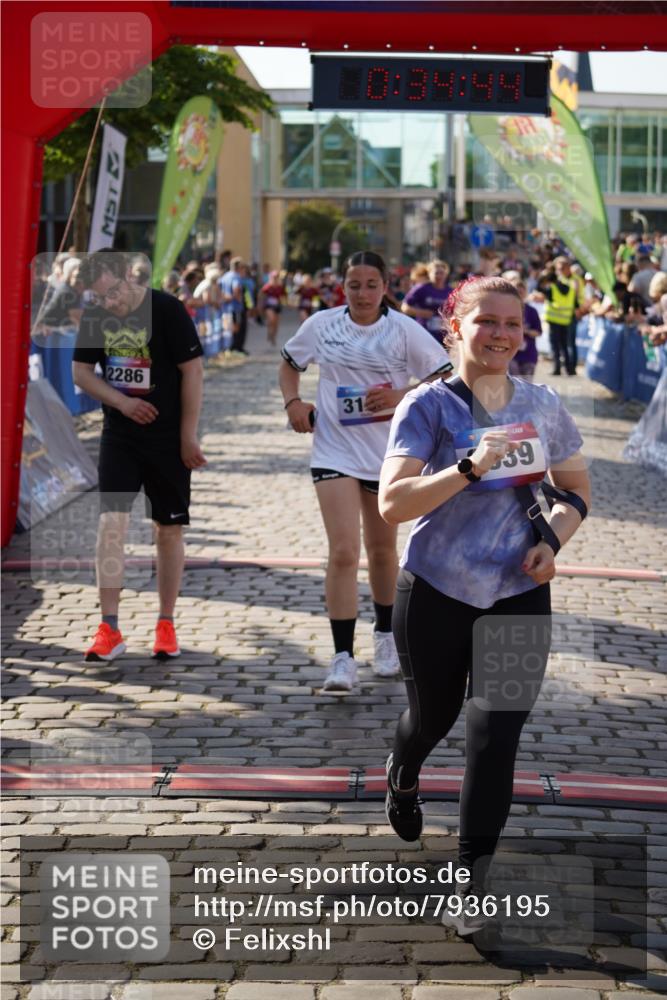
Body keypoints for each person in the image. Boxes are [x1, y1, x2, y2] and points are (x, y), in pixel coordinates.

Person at [379, 275, 590, 934]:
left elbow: (576, 489)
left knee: (493, 738)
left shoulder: (543, 403)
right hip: (438, 587)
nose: (501, 334)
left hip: (519, 590)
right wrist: (468, 466)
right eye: (486, 322)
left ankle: (470, 880)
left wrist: (551, 540)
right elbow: (392, 504)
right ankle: (402, 769)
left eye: (512, 323)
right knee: (432, 717)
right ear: (456, 328)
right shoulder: (427, 405)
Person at [279, 250, 453, 692]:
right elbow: (289, 364)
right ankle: (341, 658)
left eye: (370, 285)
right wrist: (293, 402)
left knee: (381, 552)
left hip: (386, 456)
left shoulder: (402, 329)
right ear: (342, 287)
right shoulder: (321, 325)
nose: (362, 293)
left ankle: (384, 635)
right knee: (342, 551)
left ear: (385, 287)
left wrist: (401, 395)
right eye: (353, 285)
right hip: (333, 452)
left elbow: (445, 374)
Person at [72, 251, 206, 662]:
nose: (110, 302)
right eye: (100, 297)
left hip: (167, 438)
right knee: (111, 523)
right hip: (120, 436)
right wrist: (122, 403)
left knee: (167, 529)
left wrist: (187, 435)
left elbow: (193, 371)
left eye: (113, 291)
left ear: (128, 277)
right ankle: (108, 627)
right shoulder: (97, 317)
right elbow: (81, 372)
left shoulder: (165, 309)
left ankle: (165, 622)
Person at [400, 259, 453, 342]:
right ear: (429, 274)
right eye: (436, 273)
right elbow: (404, 307)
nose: (439, 276)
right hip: (424, 334)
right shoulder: (421, 288)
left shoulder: (450, 291)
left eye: (441, 273)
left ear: (446, 274)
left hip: (444, 336)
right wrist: (421, 312)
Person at [260, 269, 286, 346]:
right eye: (273, 277)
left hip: (277, 306)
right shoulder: (267, 287)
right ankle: (269, 332)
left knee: (276, 323)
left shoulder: (280, 287)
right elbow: (261, 296)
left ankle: (273, 337)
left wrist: (285, 303)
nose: (275, 278)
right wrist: (260, 306)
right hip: (269, 306)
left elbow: (284, 296)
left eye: (276, 277)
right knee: (271, 320)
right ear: (270, 278)